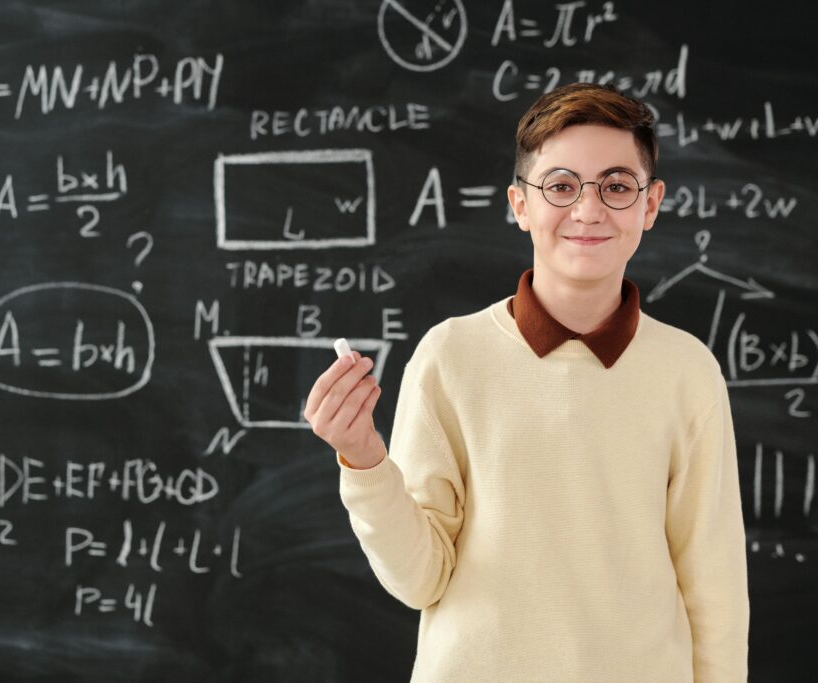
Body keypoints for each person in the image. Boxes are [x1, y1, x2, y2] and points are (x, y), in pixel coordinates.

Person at [304, 82, 749, 682]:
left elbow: (714, 586)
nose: (588, 210)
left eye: (616, 186)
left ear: (650, 204)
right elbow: (420, 580)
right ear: (520, 205)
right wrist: (363, 460)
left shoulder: (686, 370)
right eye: (561, 186)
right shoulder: (449, 357)